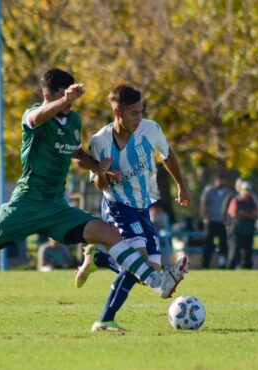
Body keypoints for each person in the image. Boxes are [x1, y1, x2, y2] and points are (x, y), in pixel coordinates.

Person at [0, 69, 188, 319]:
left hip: (56, 207)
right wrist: (65, 100)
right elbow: (37, 117)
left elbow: (75, 152)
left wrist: (98, 166)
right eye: (62, 96)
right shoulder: (34, 115)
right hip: (26, 204)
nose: (68, 102)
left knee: (109, 232)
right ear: (48, 94)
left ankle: (156, 280)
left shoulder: (74, 122)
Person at [75, 84, 190, 333]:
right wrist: (103, 173)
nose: (139, 118)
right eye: (133, 113)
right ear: (118, 111)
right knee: (141, 262)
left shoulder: (151, 129)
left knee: (150, 271)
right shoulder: (100, 141)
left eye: (141, 111)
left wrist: (181, 185)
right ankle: (105, 320)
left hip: (142, 206)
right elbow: (97, 183)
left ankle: (100, 259)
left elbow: (167, 155)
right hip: (117, 206)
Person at [200, 175, 230, 268]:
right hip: (211, 221)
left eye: (222, 180)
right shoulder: (209, 191)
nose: (221, 182)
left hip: (222, 222)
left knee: (223, 244)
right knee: (208, 243)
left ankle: (222, 264)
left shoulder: (227, 192)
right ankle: (206, 263)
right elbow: (204, 204)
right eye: (219, 180)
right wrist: (205, 217)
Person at [227, 181, 258, 269]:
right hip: (237, 231)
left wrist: (243, 214)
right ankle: (229, 271)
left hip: (248, 231)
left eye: (249, 190)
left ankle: (246, 272)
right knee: (234, 253)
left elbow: (256, 215)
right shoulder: (235, 200)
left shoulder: (252, 201)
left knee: (248, 255)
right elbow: (234, 213)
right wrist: (249, 214)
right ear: (241, 190)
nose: (247, 192)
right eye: (245, 190)